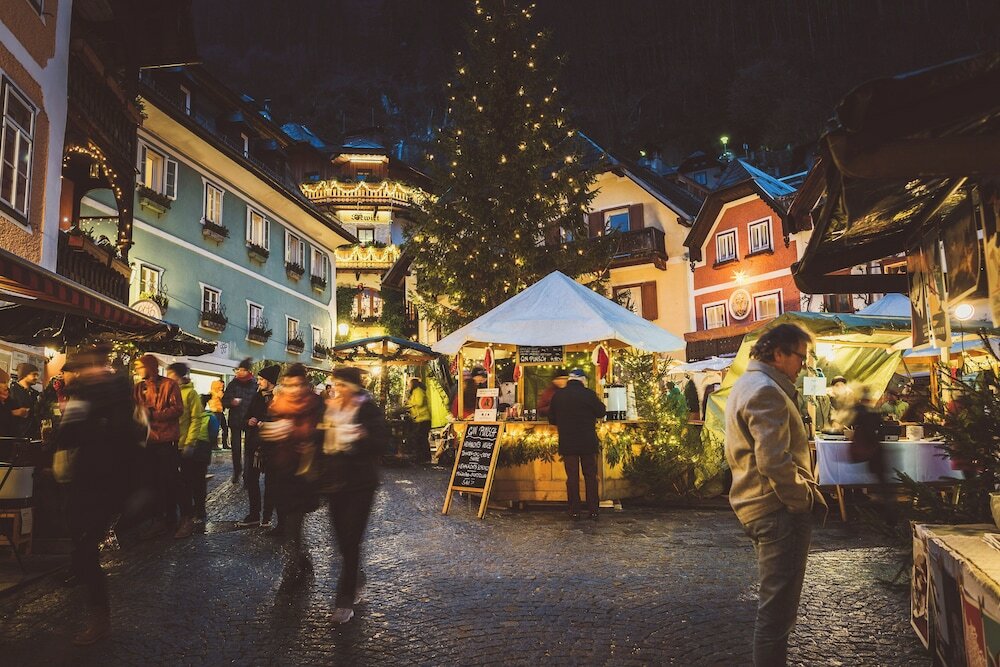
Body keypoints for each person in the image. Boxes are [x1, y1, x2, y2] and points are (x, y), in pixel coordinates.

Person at [725, 323, 825, 666]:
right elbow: (773, 460)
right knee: (776, 616)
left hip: (759, 507)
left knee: (775, 611)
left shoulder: (748, 384)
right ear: (778, 353)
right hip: (777, 510)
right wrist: (801, 500)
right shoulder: (766, 390)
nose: (803, 365)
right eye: (801, 357)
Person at [55, 346, 139, 645]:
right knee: (81, 545)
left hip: (107, 484)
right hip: (83, 479)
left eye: (91, 366)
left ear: (103, 367)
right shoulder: (82, 395)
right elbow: (66, 437)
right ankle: (95, 610)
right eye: (82, 367)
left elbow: (128, 441)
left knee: (87, 548)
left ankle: (99, 620)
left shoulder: (117, 396)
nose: (85, 372)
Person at [317, 365, 387, 624]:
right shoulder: (330, 409)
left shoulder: (368, 409)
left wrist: (361, 436)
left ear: (355, 386)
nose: (339, 389)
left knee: (351, 538)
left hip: (361, 483)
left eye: (344, 385)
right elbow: (320, 440)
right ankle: (356, 576)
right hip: (335, 482)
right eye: (336, 385)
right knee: (341, 540)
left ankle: (344, 601)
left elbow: (381, 442)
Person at [259, 364, 322, 590]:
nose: (292, 389)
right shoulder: (279, 403)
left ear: (303, 384)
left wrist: (291, 432)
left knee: (293, 521)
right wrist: (269, 434)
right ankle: (301, 560)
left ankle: (294, 567)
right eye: (289, 384)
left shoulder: (314, 403)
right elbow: (270, 429)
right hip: (281, 470)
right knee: (287, 520)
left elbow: (318, 434)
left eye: (296, 385)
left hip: (303, 472)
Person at [133, 354, 183, 537]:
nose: (137, 370)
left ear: (150, 366)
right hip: (147, 440)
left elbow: (178, 409)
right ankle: (158, 519)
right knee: (152, 481)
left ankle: (173, 518)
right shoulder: (139, 387)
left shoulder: (170, 385)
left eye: (140, 366)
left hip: (166, 440)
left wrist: (153, 415)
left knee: (168, 480)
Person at [548, 368, 606, 521]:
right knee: (590, 476)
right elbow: (601, 412)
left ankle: (574, 510)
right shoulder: (589, 394)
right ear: (582, 380)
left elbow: (551, 419)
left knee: (572, 477)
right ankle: (593, 509)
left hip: (568, 442)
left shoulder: (558, 395)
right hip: (587, 441)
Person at [165, 363, 207, 539]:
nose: (169, 377)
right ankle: (176, 518)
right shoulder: (169, 392)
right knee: (174, 482)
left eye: (171, 374)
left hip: (185, 444)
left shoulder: (190, 393)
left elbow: (196, 418)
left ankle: (191, 515)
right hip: (170, 442)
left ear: (179, 376)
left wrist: (190, 442)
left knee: (187, 482)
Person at [242, 364, 281, 528]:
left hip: (271, 447)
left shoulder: (279, 398)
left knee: (271, 483)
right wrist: (248, 421)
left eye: (261, 379)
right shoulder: (256, 397)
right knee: (251, 479)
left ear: (269, 381)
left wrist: (267, 424)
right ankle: (254, 514)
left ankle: (266, 516)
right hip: (254, 445)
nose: (258, 382)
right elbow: (246, 416)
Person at [222, 358, 257, 483]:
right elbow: (224, 400)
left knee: (249, 450)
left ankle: (247, 475)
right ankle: (237, 471)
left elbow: (257, 403)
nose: (239, 372)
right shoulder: (233, 383)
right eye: (239, 369)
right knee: (236, 450)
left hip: (249, 422)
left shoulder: (255, 384)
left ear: (248, 371)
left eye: (242, 370)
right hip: (235, 421)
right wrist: (231, 402)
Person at [9, 362, 40, 439]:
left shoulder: (34, 393)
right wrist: (14, 413)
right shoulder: (12, 391)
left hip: (32, 435)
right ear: (25, 374)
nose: (37, 378)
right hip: (18, 435)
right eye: (34, 374)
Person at [406, 378, 431, 463]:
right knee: (419, 438)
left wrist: (411, 404)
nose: (408, 386)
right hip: (418, 419)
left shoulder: (418, 391)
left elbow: (419, 402)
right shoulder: (414, 392)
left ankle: (425, 458)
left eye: (409, 384)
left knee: (422, 438)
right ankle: (422, 457)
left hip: (423, 418)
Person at [208, 379, 228, 450]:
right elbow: (224, 399)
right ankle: (216, 445)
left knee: (220, 428)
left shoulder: (211, 392)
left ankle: (217, 445)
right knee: (221, 428)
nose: (223, 387)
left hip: (215, 411)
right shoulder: (219, 392)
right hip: (217, 411)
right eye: (222, 385)